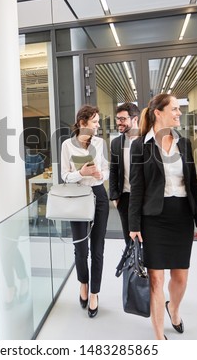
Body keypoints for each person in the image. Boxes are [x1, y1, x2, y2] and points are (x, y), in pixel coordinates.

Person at [128, 94, 197, 340]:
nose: (179, 113)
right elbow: (136, 188)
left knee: (180, 276)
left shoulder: (185, 143)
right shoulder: (140, 145)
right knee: (155, 278)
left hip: (181, 216)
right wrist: (134, 224)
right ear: (158, 112)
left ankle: (174, 308)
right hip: (154, 219)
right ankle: (159, 336)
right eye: (174, 109)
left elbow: (193, 182)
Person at [60, 104, 110, 318]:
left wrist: (100, 175)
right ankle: (83, 283)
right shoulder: (66, 146)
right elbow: (64, 176)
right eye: (95, 122)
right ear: (83, 123)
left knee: (97, 249)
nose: (98, 126)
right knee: (81, 249)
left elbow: (107, 170)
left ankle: (95, 293)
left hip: (98, 196)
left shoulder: (100, 143)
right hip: (77, 197)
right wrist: (80, 172)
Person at [109, 102, 141, 245]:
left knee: (147, 243)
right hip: (125, 198)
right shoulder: (116, 143)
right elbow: (113, 170)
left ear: (135, 119)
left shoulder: (147, 140)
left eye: (123, 119)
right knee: (129, 243)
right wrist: (115, 196)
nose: (119, 123)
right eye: (117, 119)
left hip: (145, 199)